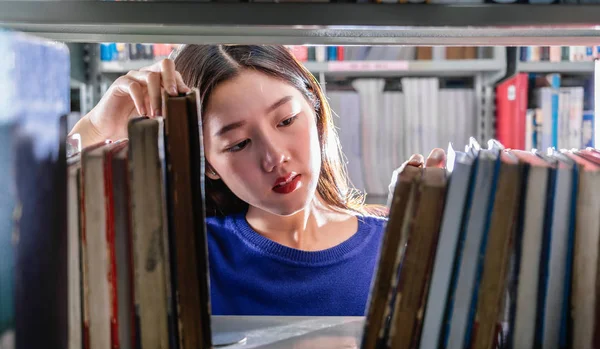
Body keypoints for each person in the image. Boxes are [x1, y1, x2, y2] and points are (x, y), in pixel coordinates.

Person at [70, 45, 445, 316]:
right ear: (208, 164)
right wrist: (96, 126)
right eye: (238, 144)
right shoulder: (185, 251)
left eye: (285, 121)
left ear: (314, 112)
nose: (274, 156)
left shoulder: (396, 240)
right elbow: (30, 240)